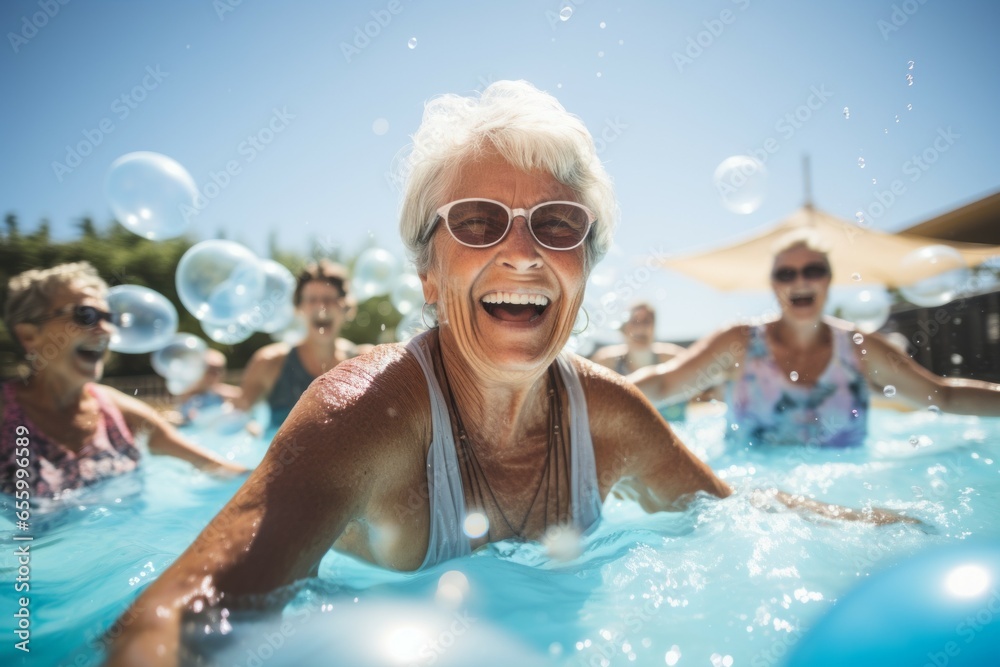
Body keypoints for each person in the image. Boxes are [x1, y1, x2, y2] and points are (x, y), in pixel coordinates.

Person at [107, 81, 914, 664]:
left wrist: (885, 527)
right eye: (478, 221)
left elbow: (738, 521)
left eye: (558, 224)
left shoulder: (612, 420)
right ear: (429, 272)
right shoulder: (357, 419)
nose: (522, 250)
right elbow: (170, 621)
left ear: (587, 268)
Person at [629, 230, 1000, 447]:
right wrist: (579, 395)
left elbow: (943, 396)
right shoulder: (738, 344)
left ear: (828, 279)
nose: (800, 280)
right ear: (774, 285)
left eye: (813, 270)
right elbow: (663, 384)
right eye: (786, 274)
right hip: (757, 504)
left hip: (849, 502)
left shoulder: (860, 348)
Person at [0, 262, 247, 499]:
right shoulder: (5, 413)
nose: (107, 330)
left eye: (110, 319)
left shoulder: (118, 411)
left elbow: (217, 468)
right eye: (86, 314)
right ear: (29, 335)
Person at [234, 259, 368, 429]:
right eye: (312, 299)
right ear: (299, 308)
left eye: (329, 299)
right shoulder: (270, 362)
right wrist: (250, 427)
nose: (321, 307)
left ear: (347, 307)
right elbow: (235, 419)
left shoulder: (364, 364)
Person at [590, 302, 688, 420]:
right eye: (634, 321)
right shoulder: (606, 362)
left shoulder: (675, 358)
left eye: (646, 321)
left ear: (654, 327)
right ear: (624, 328)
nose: (641, 328)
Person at [174, 349, 241, 425]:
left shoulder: (220, 392)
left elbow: (245, 396)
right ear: (199, 369)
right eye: (211, 370)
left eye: (219, 370)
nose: (216, 374)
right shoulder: (186, 390)